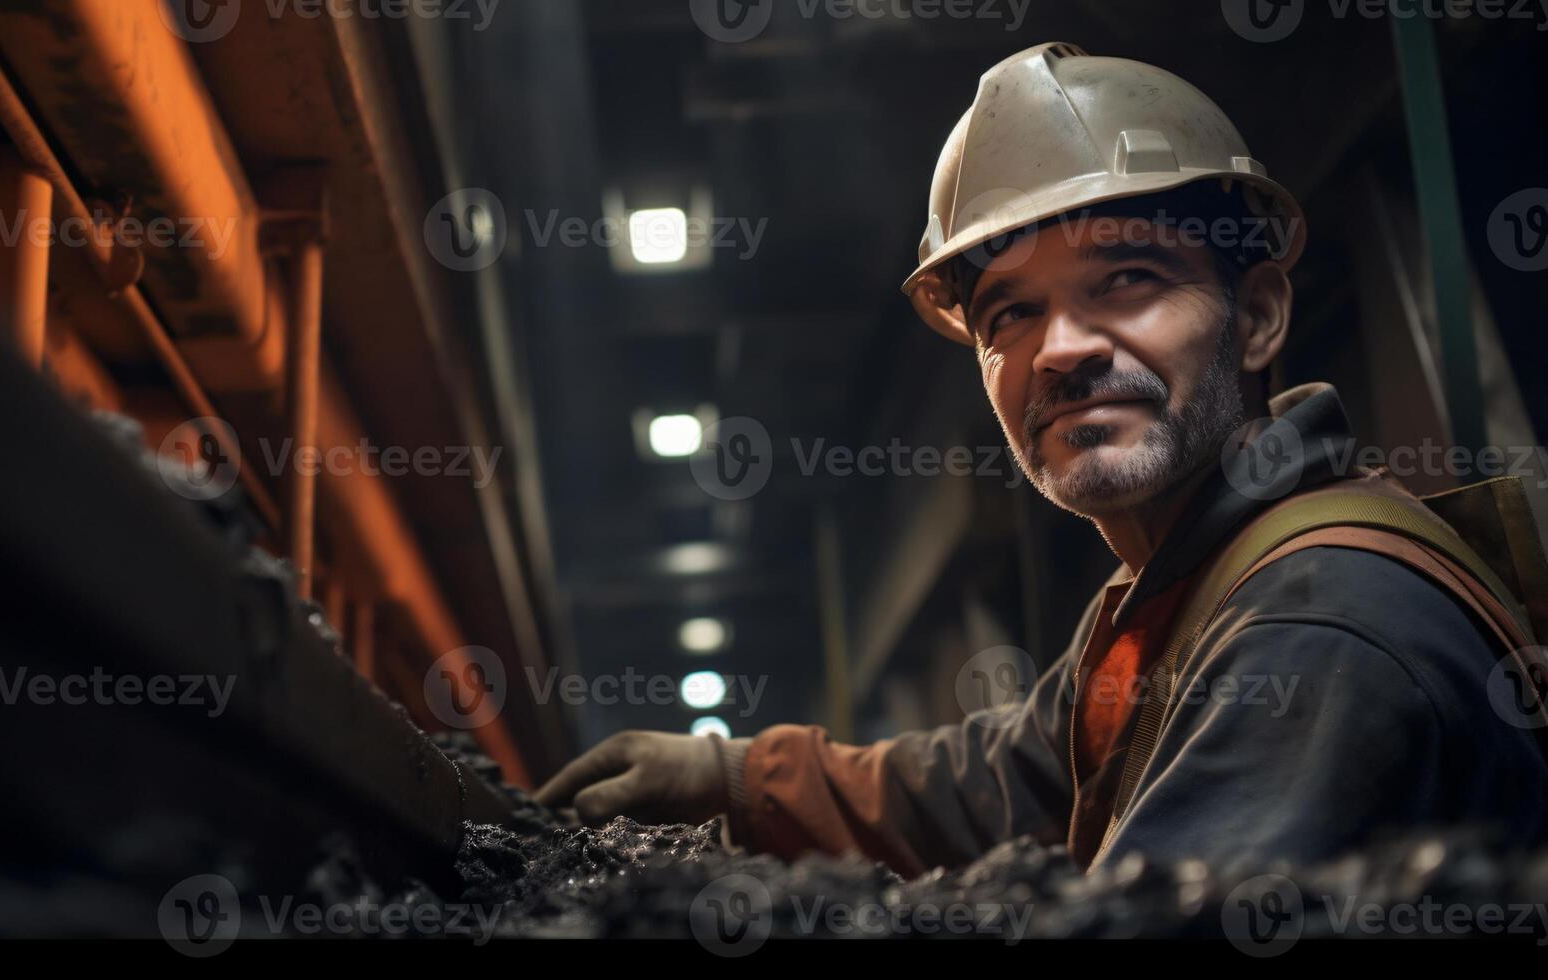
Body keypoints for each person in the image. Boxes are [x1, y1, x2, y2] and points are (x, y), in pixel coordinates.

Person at [535, 42, 1548, 877]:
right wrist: (733, 775)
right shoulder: (1179, 592)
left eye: (1127, 279)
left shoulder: (1311, 625)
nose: (1061, 348)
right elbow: (1001, 780)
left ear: (1260, 317)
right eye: (1011, 313)